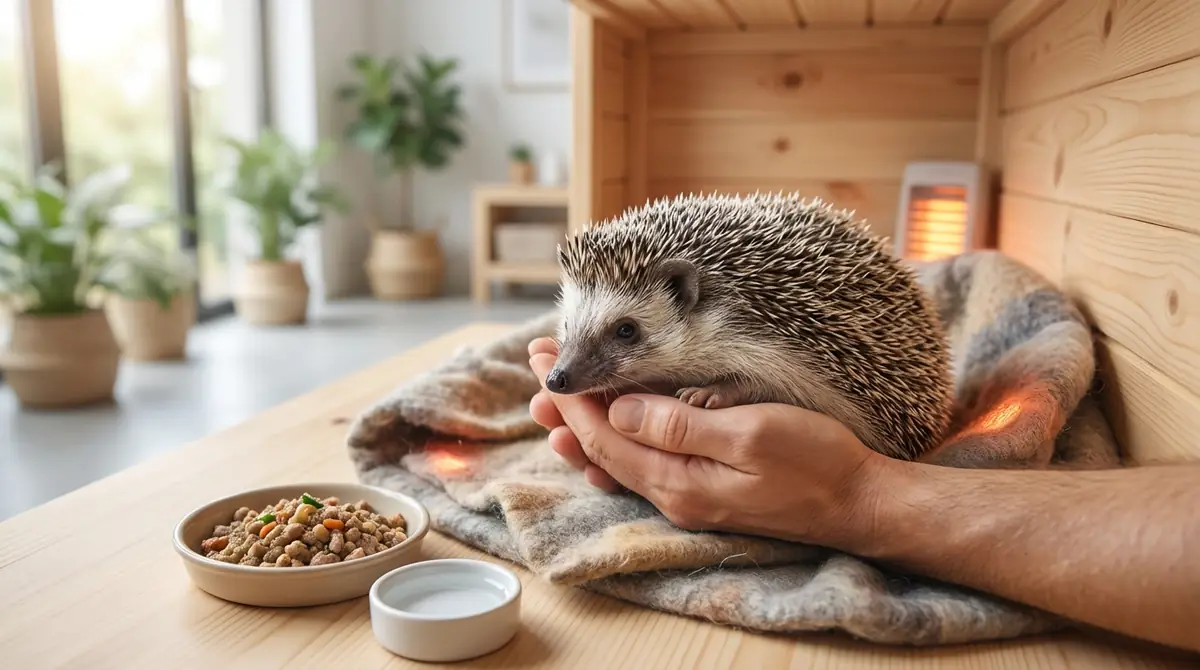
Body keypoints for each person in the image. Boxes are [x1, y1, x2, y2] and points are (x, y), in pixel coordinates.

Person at [526, 337, 1200, 654]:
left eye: (622, 335)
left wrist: (856, 495)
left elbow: (798, 379)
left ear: (692, 299)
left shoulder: (757, 342)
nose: (566, 371)